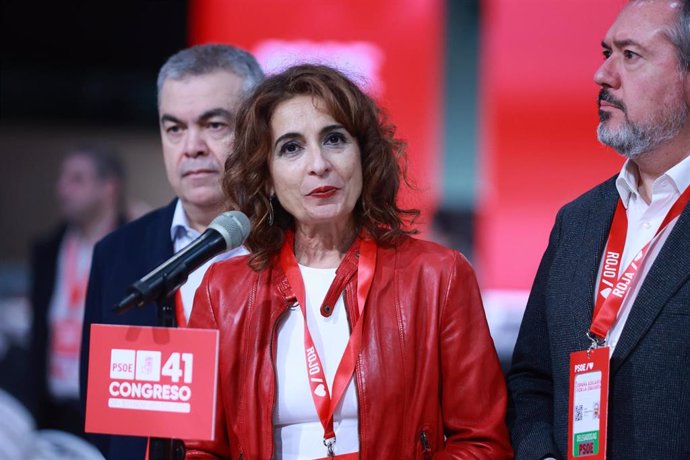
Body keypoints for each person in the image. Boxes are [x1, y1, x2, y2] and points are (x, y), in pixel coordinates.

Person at [183, 64, 513, 459]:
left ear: (363, 157)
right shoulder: (222, 290)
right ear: (266, 177)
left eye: (334, 139)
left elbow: (483, 443)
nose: (319, 164)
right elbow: (197, 449)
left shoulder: (439, 276)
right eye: (291, 147)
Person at [507, 1, 690, 458]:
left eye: (630, 55)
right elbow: (531, 377)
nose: (602, 75)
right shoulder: (578, 220)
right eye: (606, 51)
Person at [79, 44, 264, 459]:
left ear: (258, 130)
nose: (192, 146)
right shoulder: (117, 254)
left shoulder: (302, 246)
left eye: (214, 125)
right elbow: (102, 419)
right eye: (174, 128)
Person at [28, 147, 125, 437]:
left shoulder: (133, 250)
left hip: (108, 412)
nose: (62, 189)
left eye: (77, 179)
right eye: (63, 178)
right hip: (53, 409)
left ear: (108, 187)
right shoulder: (49, 250)